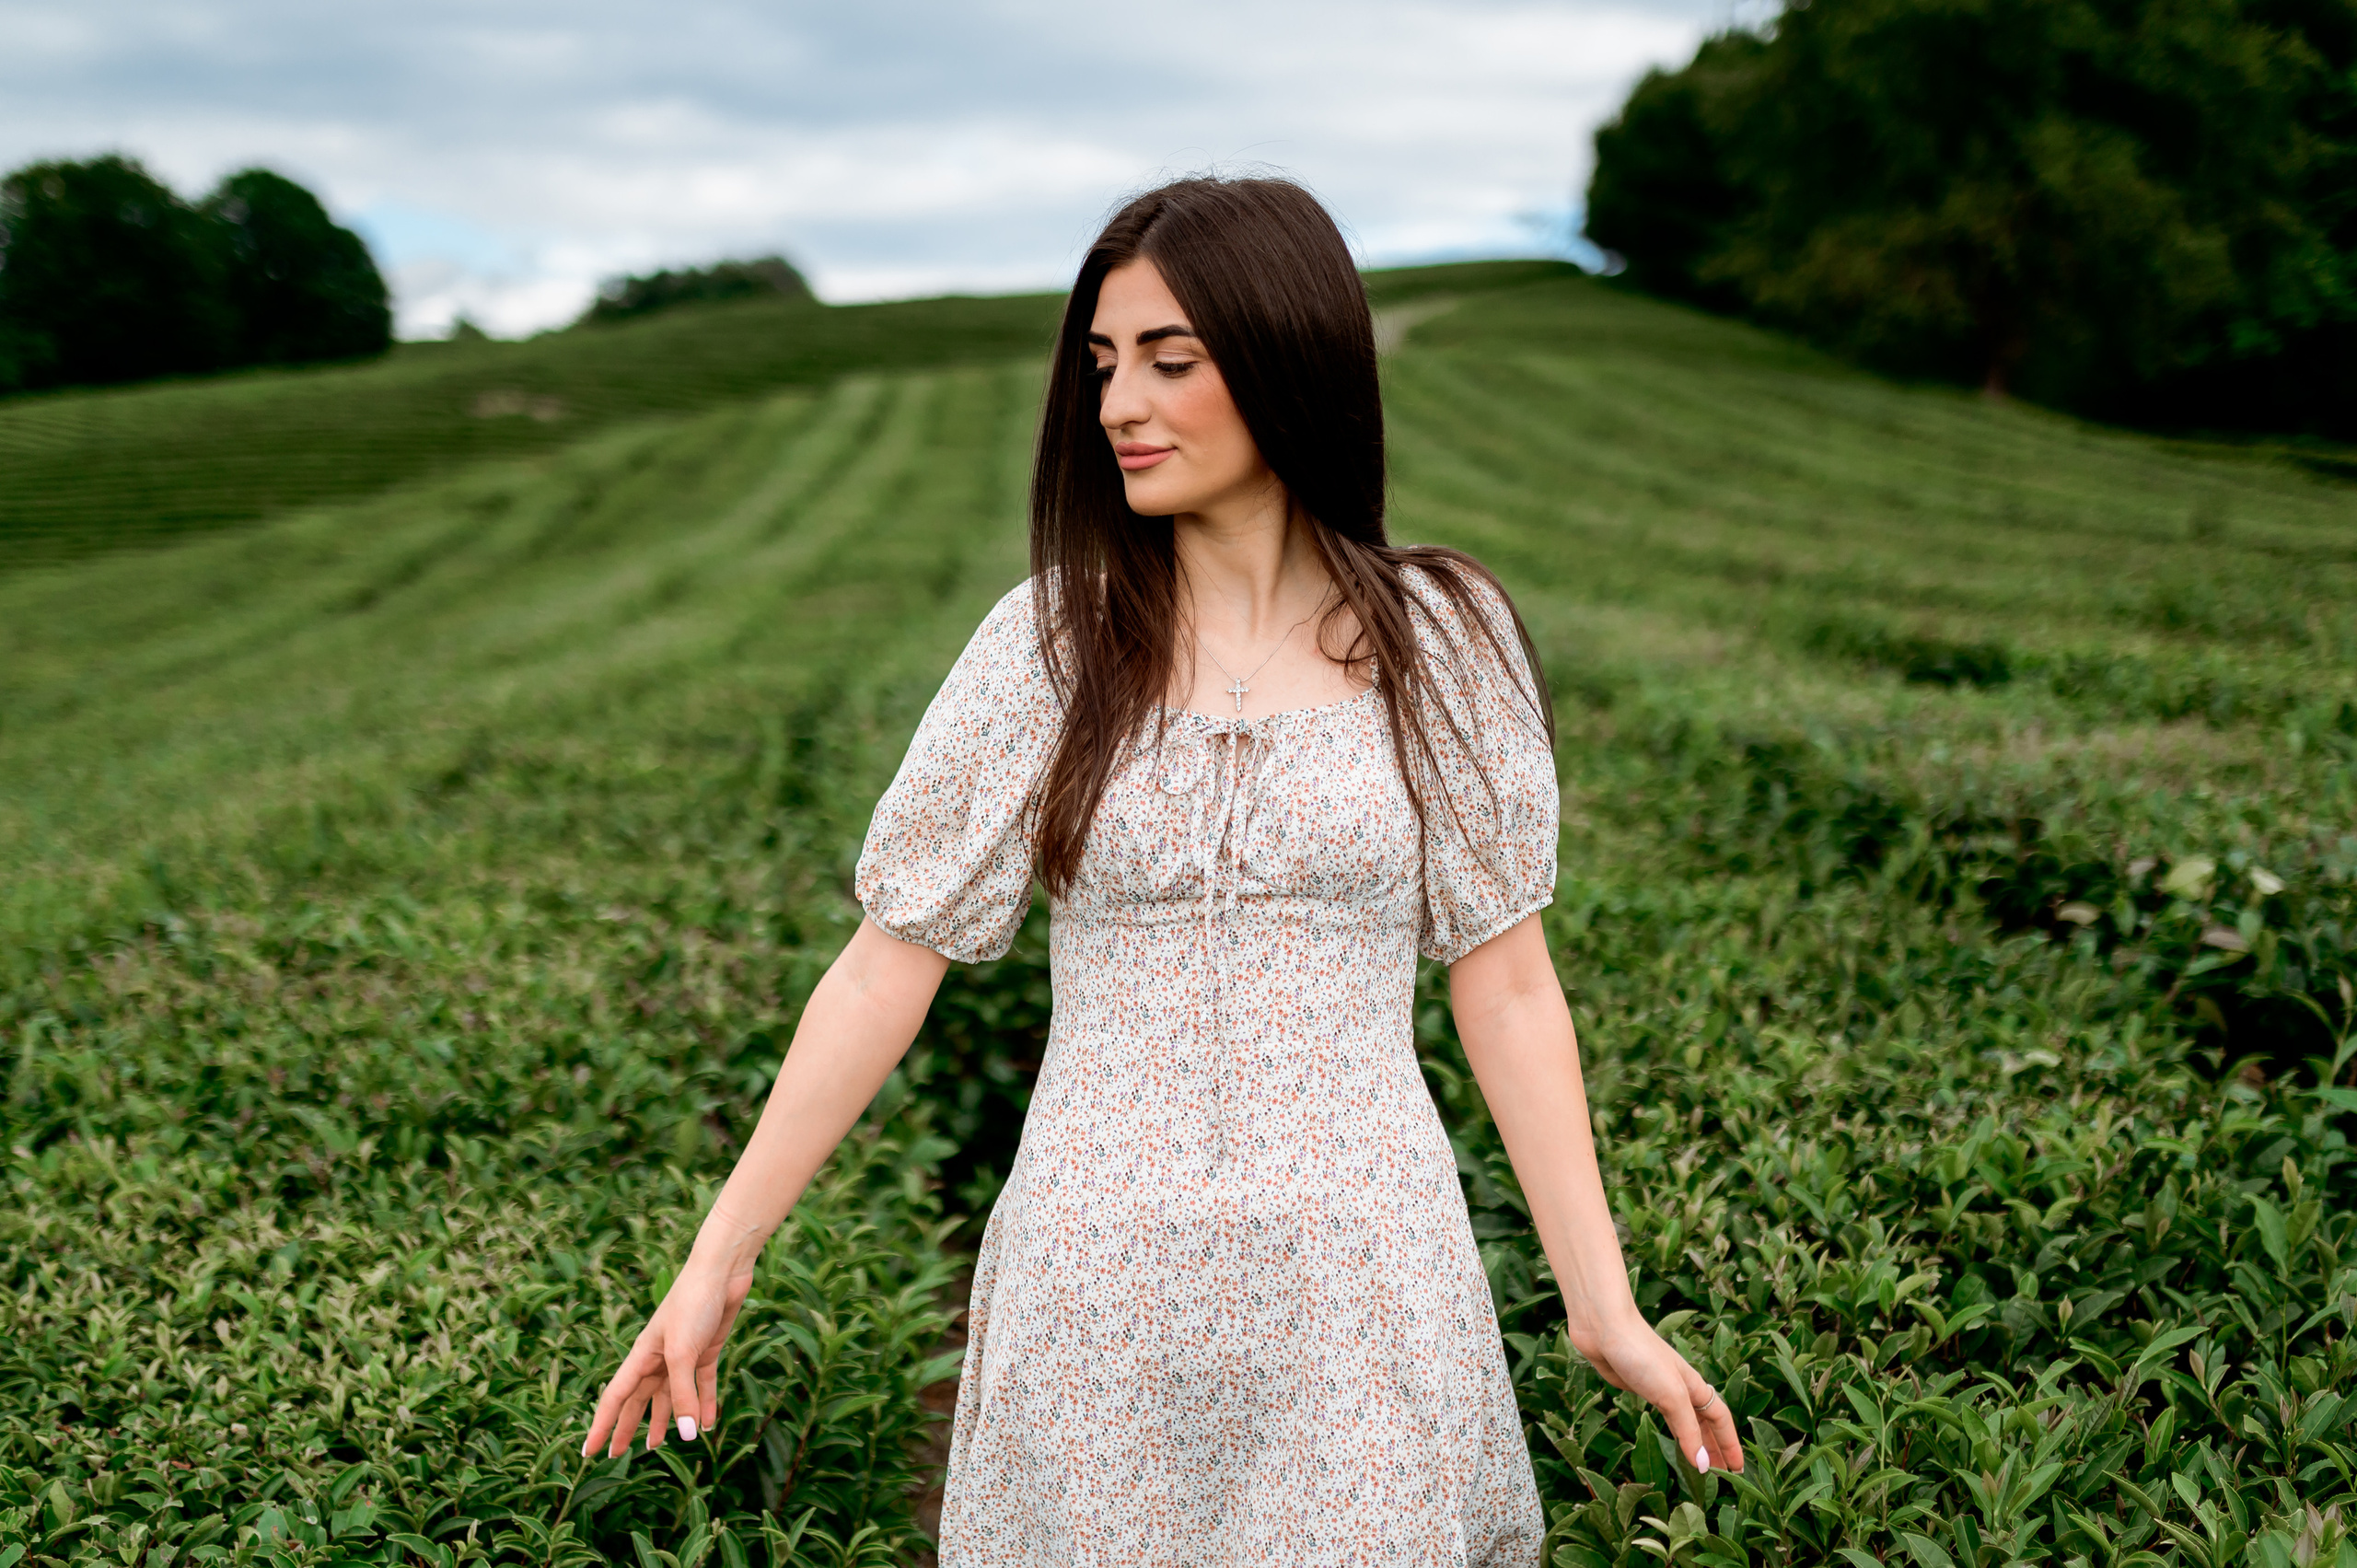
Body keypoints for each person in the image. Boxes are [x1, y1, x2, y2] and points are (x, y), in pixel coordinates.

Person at [583, 175, 1744, 1563]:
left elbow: (1507, 989)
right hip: (1095, 1295)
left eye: (1169, 361)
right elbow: (889, 964)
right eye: (1102, 363)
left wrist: (1601, 1307)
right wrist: (718, 1266)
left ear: (1286, 357)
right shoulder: (1050, 648)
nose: (1119, 403)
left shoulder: (1446, 638)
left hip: (1362, 1293)